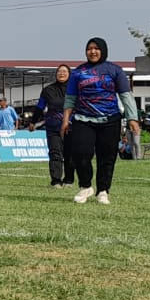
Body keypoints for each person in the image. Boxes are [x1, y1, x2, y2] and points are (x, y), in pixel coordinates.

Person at [60, 37, 140, 204]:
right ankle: (86, 186)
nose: (93, 51)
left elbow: (126, 95)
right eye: (89, 48)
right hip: (83, 119)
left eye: (96, 48)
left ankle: (103, 190)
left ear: (103, 50)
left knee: (107, 157)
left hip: (110, 120)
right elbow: (70, 98)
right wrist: (65, 120)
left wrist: (132, 118)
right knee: (80, 154)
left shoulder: (114, 70)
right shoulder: (78, 72)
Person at [36, 65, 75, 187]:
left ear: (69, 74)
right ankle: (56, 180)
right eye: (59, 71)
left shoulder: (75, 89)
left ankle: (69, 179)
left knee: (70, 154)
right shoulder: (48, 90)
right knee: (55, 153)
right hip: (53, 126)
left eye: (64, 71)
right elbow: (40, 106)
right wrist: (32, 122)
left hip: (71, 126)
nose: (61, 73)